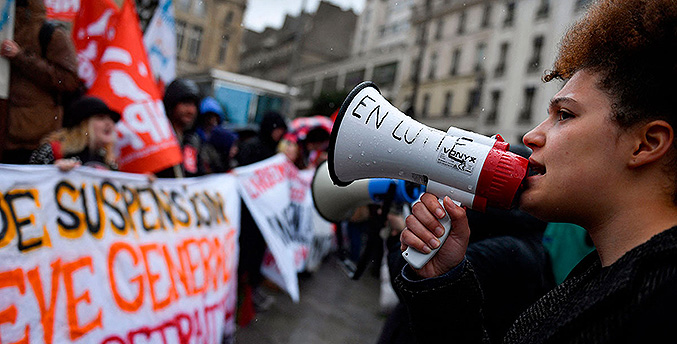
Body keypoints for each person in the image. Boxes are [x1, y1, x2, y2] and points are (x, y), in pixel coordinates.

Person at [396, 0, 677, 342]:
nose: (531, 136)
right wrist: (442, 283)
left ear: (646, 144)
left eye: (565, 115)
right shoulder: (605, 278)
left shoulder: (660, 303)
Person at [0, 0, 80, 164]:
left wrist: (21, 58)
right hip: (5, 138)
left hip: (32, 140)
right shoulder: (5, 29)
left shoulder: (50, 35)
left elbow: (68, 80)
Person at [29, 96, 120, 171]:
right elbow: (30, 180)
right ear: (83, 125)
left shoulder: (109, 162)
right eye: (101, 118)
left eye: (111, 119)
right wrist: (53, 169)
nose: (110, 123)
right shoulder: (53, 150)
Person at [156, 78, 201, 177]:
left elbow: (198, 175)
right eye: (186, 103)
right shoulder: (157, 140)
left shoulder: (192, 141)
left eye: (194, 105)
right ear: (171, 104)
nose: (191, 110)